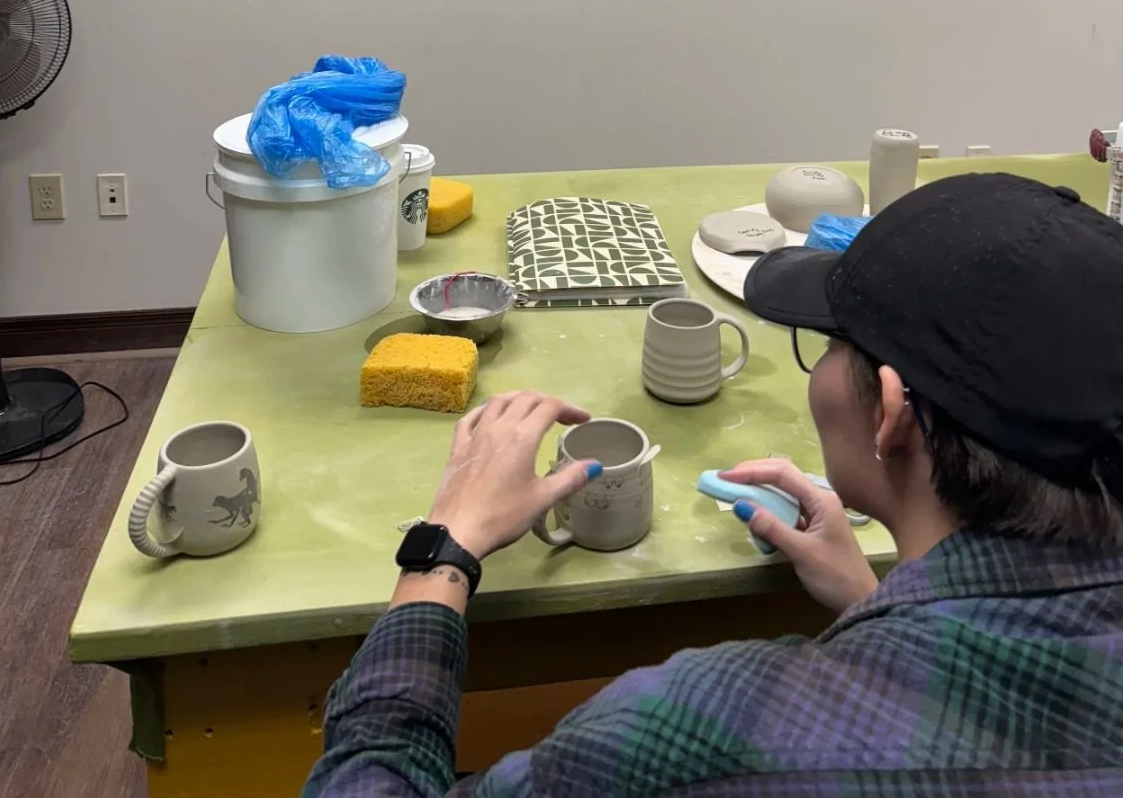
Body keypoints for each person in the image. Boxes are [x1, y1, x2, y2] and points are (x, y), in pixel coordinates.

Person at [302, 174, 1123, 796]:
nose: (822, 366)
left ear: (893, 414)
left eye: (829, 345)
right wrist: (872, 597)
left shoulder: (718, 730)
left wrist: (438, 554)